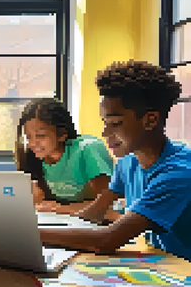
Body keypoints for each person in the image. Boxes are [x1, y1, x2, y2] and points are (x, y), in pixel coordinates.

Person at [40, 60, 191, 260]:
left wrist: (28, 234)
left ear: (151, 120)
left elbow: (106, 240)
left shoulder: (178, 173)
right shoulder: (128, 161)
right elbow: (94, 213)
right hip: (162, 262)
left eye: (115, 123)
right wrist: (43, 224)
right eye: (105, 122)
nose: (105, 132)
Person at [16, 98, 114, 215]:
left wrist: (61, 208)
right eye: (29, 137)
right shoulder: (34, 159)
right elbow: (42, 204)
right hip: (67, 221)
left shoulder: (88, 149)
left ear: (62, 134)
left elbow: (108, 206)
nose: (32, 143)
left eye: (40, 135)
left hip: (103, 224)